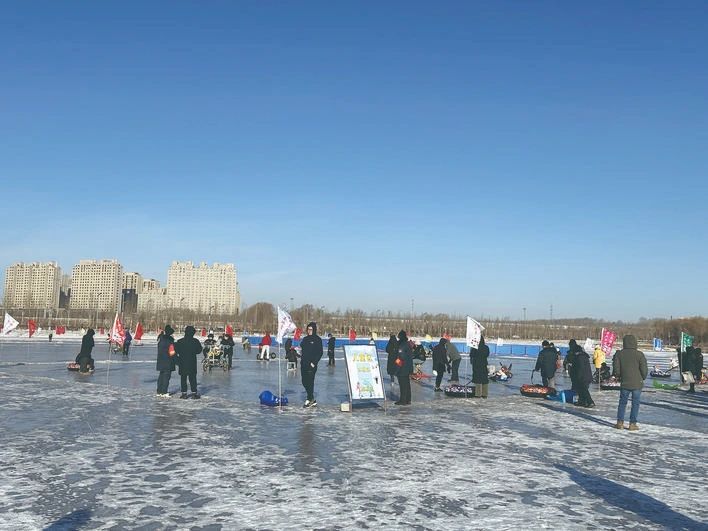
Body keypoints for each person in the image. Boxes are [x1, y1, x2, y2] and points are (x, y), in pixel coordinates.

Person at [613, 334, 648, 431]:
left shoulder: (619, 354)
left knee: (622, 403)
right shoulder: (640, 354)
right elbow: (644, 370)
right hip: (637, 383)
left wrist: (618, 376)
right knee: (635, 403)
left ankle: (620, 422)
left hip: (625, 382)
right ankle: (632, 424)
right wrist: (643, 378)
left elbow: (616, 369)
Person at [175, 326, 202, 398]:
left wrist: (177, 361)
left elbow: (176, 351)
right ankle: (194, 393)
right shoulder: (195, 341)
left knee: (183, 378)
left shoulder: (180, 341)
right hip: (192, 362)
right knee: (192, 378)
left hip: (182, 362)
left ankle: (184, 393)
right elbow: (199, 351)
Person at [300, 322, 323, 407]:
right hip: (303, 363)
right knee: (304, 381)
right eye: (308, 329)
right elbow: (302, 349)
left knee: (310, 381)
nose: (309, 331)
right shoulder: (305, 339)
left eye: (311, 329)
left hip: (312, 365)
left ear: (314, 330)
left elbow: (320, 352)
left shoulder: (317, 340)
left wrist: (314, 362)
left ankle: (309, 398)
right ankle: (312, 398)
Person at [156, 325, 176, 397]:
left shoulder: (161, 339)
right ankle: (164, 392)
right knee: (166, 377)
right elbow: (172, 352)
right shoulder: (170, 341)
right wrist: (176, 360)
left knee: (161, 376)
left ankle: (159, 391)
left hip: (161, 360)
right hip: (168, 361)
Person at [394, 330, 413, 405]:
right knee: (407, 384)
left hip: (403, 368)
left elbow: (401, 358)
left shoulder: (402, 345)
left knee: (403, 385)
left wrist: (396, 367)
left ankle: (403, 400)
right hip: (407, 367)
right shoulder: (407, 344)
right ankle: (408, 399)